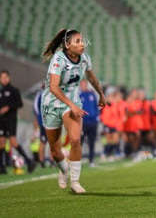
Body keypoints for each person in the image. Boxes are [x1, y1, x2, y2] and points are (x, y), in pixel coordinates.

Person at [41, 29, 105, 193]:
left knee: (75, 140)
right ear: (68, 45)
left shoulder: (84, 59)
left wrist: (101, 95)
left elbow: (91, 77)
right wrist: (71, 105)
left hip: (73, 104)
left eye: (82, 40)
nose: (82, 44)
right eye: (77, 41)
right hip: (52, 104)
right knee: (55, 151)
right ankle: (63, 169)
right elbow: (54, 88)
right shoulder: (58, 59)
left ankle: (75, 182)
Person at [0, 69, 36, 174]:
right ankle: (2, 167)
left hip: (11, 120)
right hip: (1, 121)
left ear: (9, 78)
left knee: (13, 142)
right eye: (2, 77)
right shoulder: (0, 92)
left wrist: (8, 107)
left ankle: (29, 161)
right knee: (1, 142)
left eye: (5, 77)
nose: (4, 79)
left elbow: (20, 103)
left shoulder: (14, 91)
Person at [79, 79, 99, 167]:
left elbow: (96, 106)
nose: (84, 86)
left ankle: (91, 161)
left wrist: (97, 117)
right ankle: (77, 161)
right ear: (80, 86)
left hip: (93, 122)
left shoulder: (92, 94)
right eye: (82, 84)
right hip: (83, 123)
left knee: (92, 142)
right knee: (80, 142)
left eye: (85, 84)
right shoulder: (78, 96)